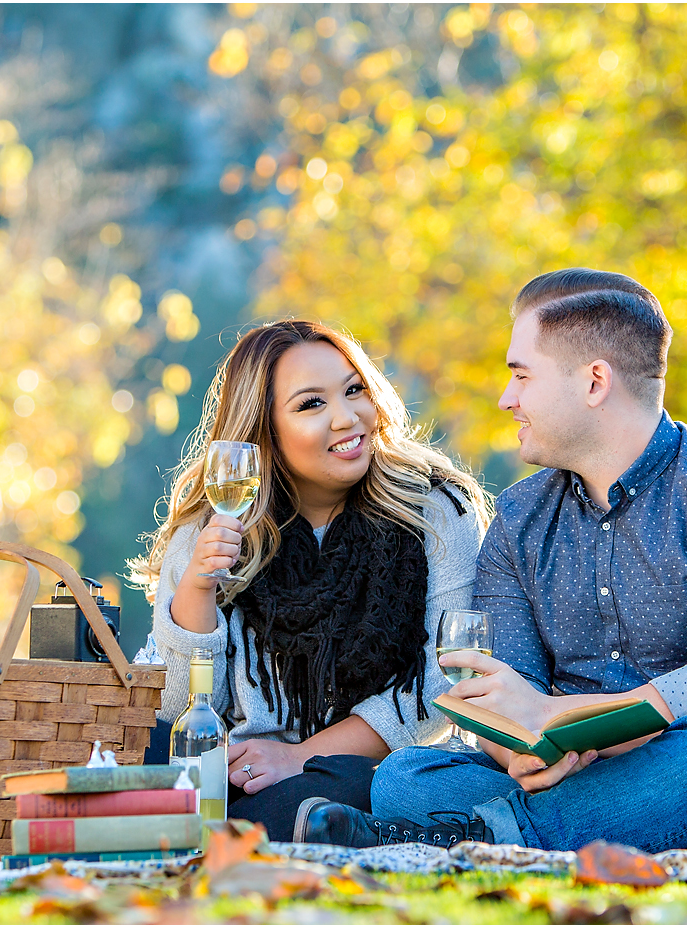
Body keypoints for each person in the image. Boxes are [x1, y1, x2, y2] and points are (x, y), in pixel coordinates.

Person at [301, 269, 687, 857]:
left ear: (594, 382)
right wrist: (521, 749)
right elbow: (511, 699)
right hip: (570, 779)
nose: (506, 399)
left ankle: (484, 835)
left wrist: (555, 714)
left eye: (521, 375)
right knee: (404, 776)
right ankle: (673, 838)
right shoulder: (518, 520)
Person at [129, 319, 488, 842]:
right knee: (147, 755)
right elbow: (175, 709)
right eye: (311, 404)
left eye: (353, 390)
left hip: (363, 765)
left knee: (361, 790)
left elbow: (441, 687)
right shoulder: (213, 525)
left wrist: (298, 756)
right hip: (233, 768)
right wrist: (197, 588)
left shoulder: (434, 512)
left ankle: (247, 832)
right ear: (264, 430)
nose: (347, 417)